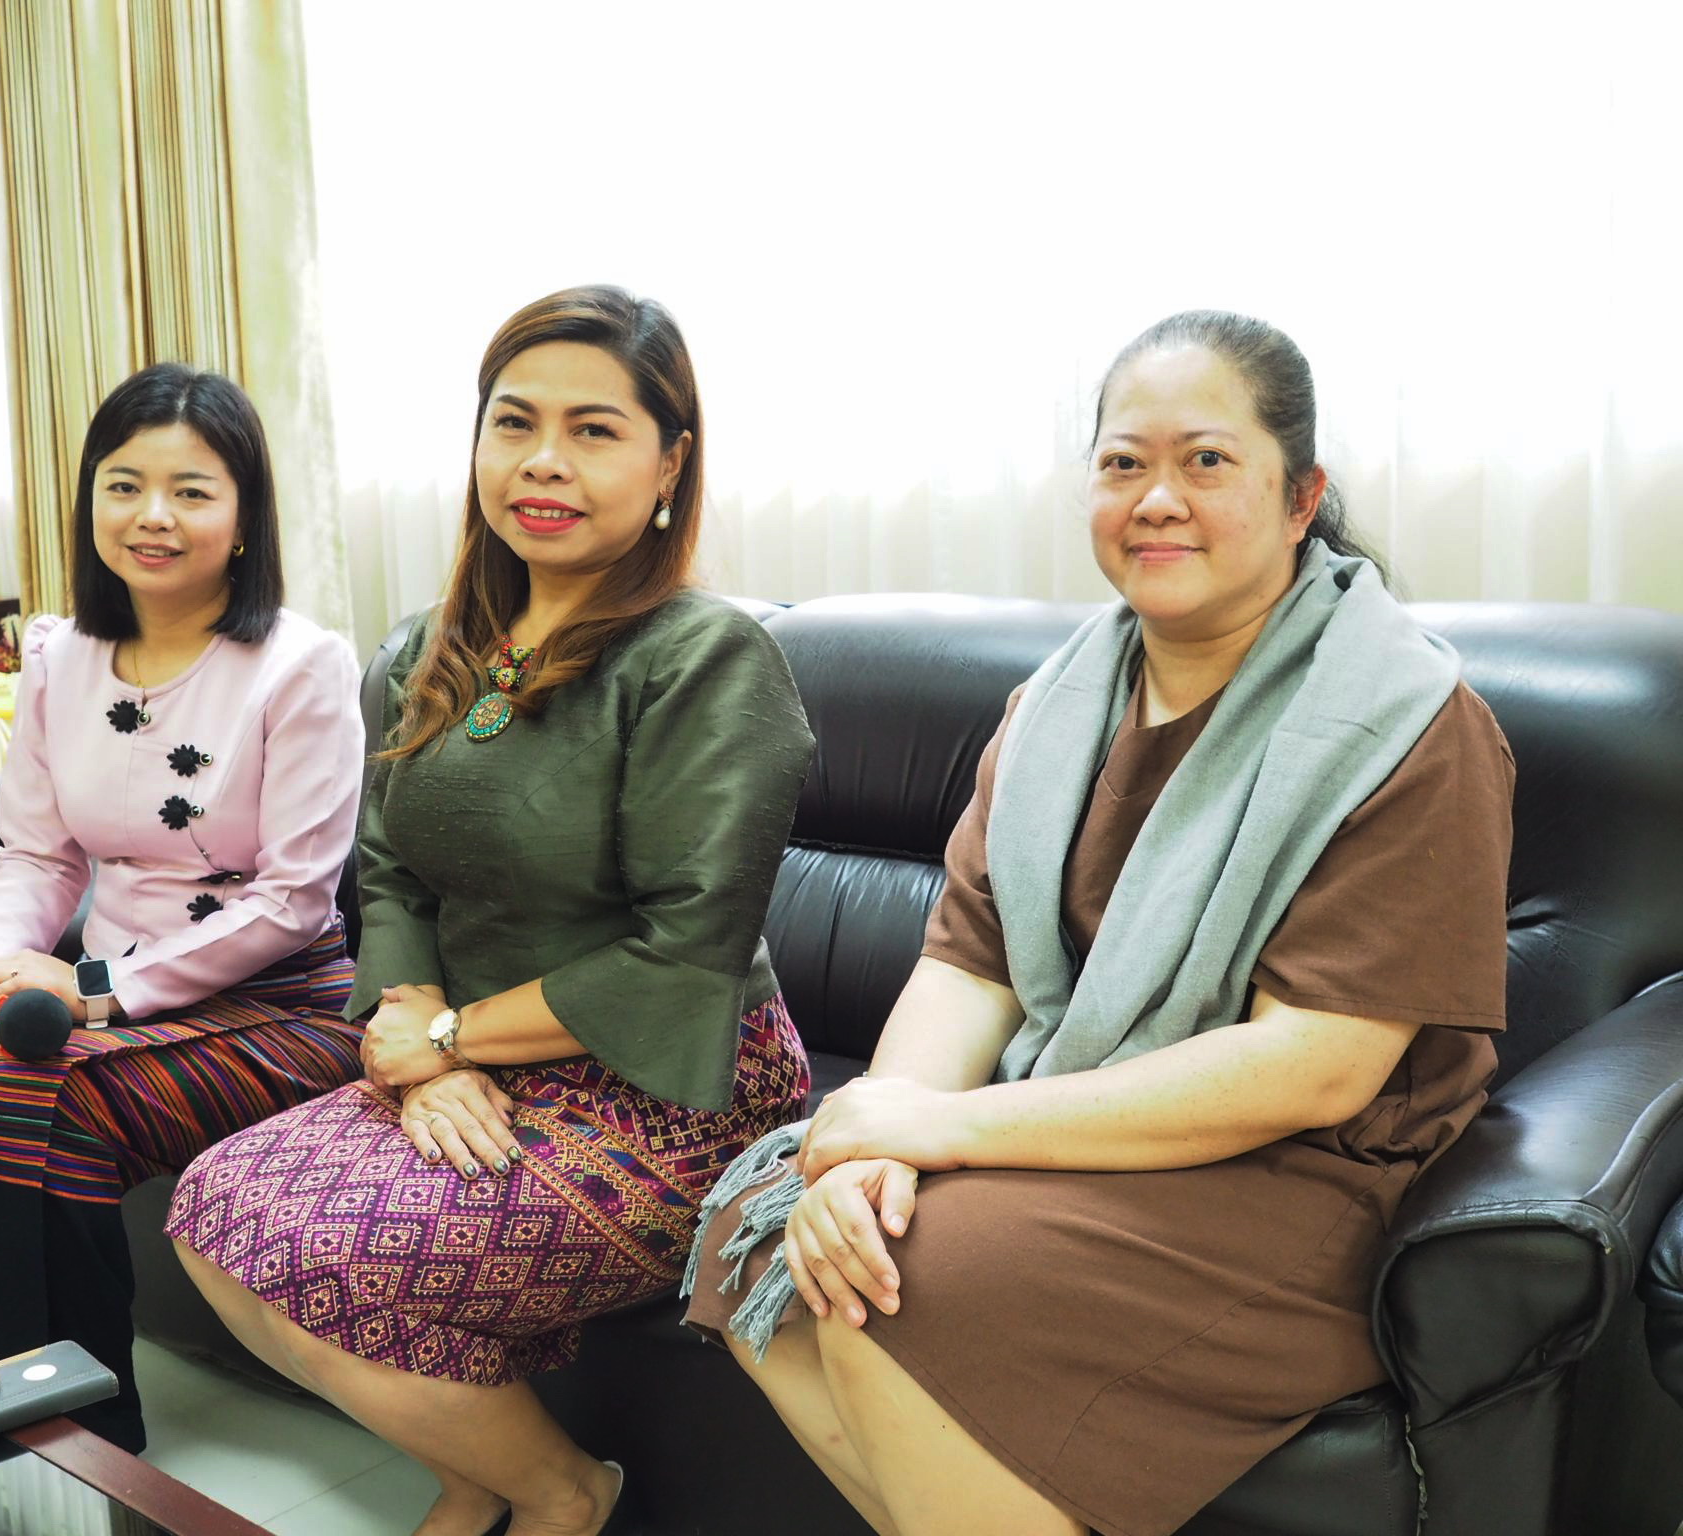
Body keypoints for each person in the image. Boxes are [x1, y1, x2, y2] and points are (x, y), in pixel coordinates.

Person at [684, 310, 1517, 1536]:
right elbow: (966, 967)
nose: (1155, 498)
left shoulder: (1404, 723)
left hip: (1302, 1174)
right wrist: (871, 1148)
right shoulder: (1054, 706)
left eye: (1206, 461)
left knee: (894, 1282)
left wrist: (940, 1128)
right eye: (1123, 463)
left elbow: (1316, 1064)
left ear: (1300, 497)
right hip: (1083, 1118)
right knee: (764, 1232)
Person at [166, 286, 815, 1536]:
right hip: (470, 1051)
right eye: (513, 423)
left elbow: (683, 955)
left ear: (669, 463)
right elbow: (389, 872)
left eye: (593, 430)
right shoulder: (427, 649)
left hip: (670, 1091)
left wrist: (449, 1040)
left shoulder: (705, 660)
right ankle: (491, 1480)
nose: (542, 461)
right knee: (211, 1210)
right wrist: (419, 1038)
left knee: (307, 1251)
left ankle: (567, 1498)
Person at [0, 362, 366, 1452]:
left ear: (244, 518)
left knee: (34, 1112)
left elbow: (294, 901)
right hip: (97, 1005)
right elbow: (35, 853)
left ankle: (62, 1451)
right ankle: (13, 1429)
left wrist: (91, 991)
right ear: (90, 498)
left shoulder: (300, 667)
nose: (153, 516)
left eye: (192, 491)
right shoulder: (60, 657)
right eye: (124, 485)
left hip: (278, 1005)